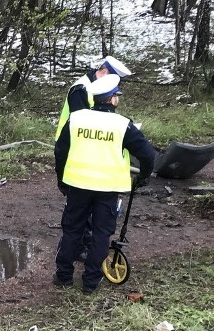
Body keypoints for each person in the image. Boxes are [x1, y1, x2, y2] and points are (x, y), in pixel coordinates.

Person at [53, 74, 156, 294]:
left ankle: (63, 276)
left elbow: (60, 152)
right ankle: (90, 282)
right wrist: (144, 176)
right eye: (116, 96)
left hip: (77, 186)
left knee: (72, 231)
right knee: (100, 234)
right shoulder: (123, 125)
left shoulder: (76, 119)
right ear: (111, 99)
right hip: (108, 189)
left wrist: (62, 179)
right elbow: (148, 155)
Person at [55, 55, 133, 140]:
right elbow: (81, 121)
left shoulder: (95, 86)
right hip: (70, 142)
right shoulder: (80, 90)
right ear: (103, 72)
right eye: (111, 79)